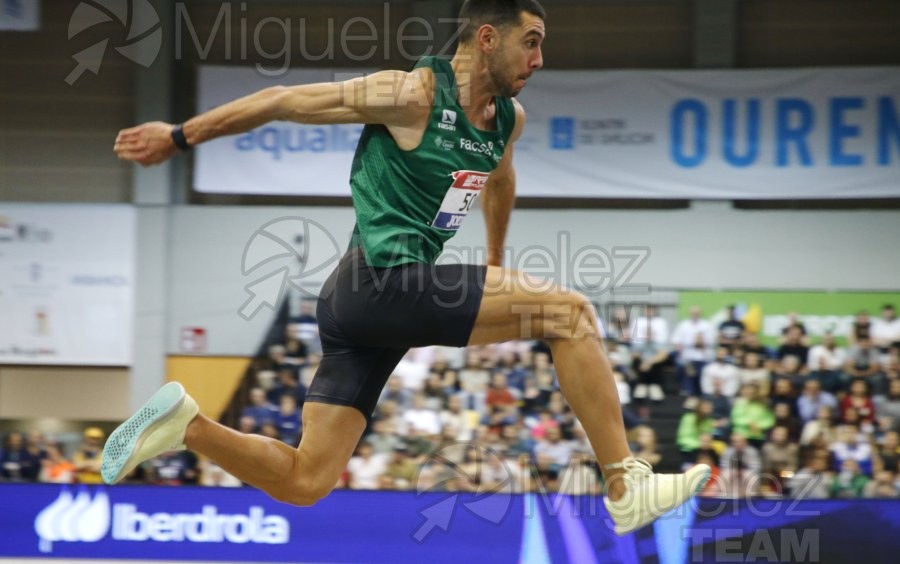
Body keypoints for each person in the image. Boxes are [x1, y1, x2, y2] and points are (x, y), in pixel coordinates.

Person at [103, 0, 708, 535]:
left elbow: (499, 178)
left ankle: (188, 427)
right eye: (532, 40)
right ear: (487, 39)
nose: (541, 58)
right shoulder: (410, 94)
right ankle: (626, 485)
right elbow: (283, 100)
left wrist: (495, 263)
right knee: (572, 315)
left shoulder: (506, 122)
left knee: (306, 481)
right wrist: (180, 135)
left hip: (364, 306)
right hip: (377, 281)